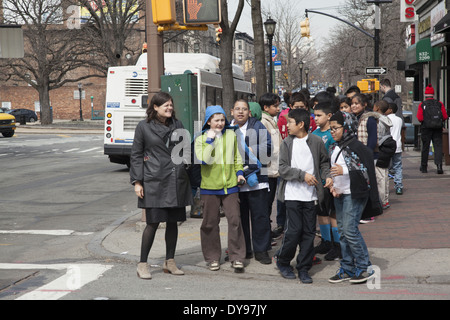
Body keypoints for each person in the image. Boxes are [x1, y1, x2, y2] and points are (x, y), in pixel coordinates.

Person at [130, 92, 193, 279]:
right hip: (154, 181)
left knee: (173, 223)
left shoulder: (178, 125)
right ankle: (142, 264)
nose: (169, 108)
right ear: (155, 107)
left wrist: (184, 166)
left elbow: (186, 149)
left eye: (171, 105)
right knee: (153, 223)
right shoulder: (144, 127)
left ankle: (170, 261)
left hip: (175, 180)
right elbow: (136, 154)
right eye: (165, 105)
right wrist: (137, 181)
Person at [275, 108, 332, 283]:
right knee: (293, 231)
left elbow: (324, 162)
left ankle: (304, 268)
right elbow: (282, 169)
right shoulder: (287, 143)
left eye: (290, 122)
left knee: (308, 233)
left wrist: (327, 176)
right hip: (292, 195)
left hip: (311, 196)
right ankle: (283, 262)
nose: (287, 125)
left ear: (301, 124)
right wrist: (302, 175)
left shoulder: (316, 141)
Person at [328, 111, 382, 284]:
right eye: (331, 128)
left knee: (350, 231)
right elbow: (333, 170)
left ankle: (365, 267)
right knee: (343, 232)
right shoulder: (333, 147)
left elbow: (368, 174)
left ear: (347, 127)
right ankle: (348, 268)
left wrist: (345, 170)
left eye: (336, 128)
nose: (332, 131)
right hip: (340, 193)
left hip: (355, 194)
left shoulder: (358, 147)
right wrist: (332, 185)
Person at [194, 105, 247, 271]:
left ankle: (237, 257)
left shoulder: (231, 134)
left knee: (235, 221)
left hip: (230, 186)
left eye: (222, 120)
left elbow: (238, 156)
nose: (220, 123)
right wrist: (210, 139)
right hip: (209, 188)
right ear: (209, 121)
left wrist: (239, 173)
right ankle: (212, 258)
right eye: (216, 120)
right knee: (210, 223)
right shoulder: (201, 138)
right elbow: (204, 159)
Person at [231, 99, 273, 264]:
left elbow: (268, 148)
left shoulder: (258, 126)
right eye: (237, 109)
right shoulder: (227, 128)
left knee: (260, 217)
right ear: (232, 111)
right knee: (239, 218)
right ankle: (244, 249)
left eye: (244, 109)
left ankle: (261, 250)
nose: (240, 112)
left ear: (249, 112)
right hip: (236, 180)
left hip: (258, 179)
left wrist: (252, 151)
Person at [312, 102, 341, 261]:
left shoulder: (333, 134)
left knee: (333, 213)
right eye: (314, 115)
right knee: (321, 212)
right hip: (318, 181)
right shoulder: (314, 133)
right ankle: (326, 240)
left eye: (319, 115)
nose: (315, 118)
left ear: (329, 116)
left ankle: (337, 245)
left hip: (332, 180)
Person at [259, 93, 283, 240]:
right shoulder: (264, 121)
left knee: (267, 203)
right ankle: (265, 234)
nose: (278, 108)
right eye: (275, 106)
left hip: (273, 169)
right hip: (268, 170)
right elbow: (272, 147)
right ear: (266, 107)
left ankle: (266, 233)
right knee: (265, 204)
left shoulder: (270, 120)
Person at [417, 84, 448, 174]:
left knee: (425, 147)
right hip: (437, 128)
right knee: (438, 146)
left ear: (425, 94)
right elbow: (445, 116)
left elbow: (420, 118)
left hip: (426, 128)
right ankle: (439, 166)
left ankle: (424, 167)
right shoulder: (439, 103)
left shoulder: (422, 104)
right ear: (433, 94)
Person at [372, 100, 395, 210]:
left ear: (377, 108)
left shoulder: (377, 121)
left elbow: (376, 136)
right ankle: (385, 199)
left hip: (380, 149)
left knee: (380, 177)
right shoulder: (387, 119)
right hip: (387, 148)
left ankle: (382, 201)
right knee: (384, 175)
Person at [386, 103, 404, 195]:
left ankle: (385, 187)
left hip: (387, 146)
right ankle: (399, 186)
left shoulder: (385, 119)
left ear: (390, 110)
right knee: (398, 166)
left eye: (387, 108)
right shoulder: (399, 119)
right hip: (397, 145)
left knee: (385, 167)